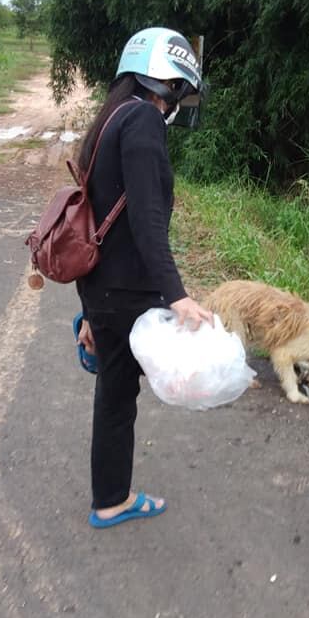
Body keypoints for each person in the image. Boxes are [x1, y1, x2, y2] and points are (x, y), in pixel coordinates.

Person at [74, 27, 214, 529]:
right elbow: (146, 220)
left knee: (113, 392)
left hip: (100, 288)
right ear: (172, 84)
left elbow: (91, 220)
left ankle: (110, 496)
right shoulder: (143, 123)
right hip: (123, 289)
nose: (180, 102)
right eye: (181, 90)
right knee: (118, 397)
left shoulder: (108, 120)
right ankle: (111, 500)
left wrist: (90, 311)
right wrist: (177, 295)